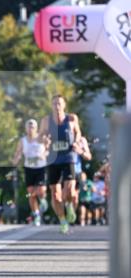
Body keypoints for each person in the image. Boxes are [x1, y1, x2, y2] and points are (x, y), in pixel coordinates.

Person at [39, 95, 82, 235]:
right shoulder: (46, 120)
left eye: (59, 104)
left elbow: (78, 133)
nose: (57, 106)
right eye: (54, 104)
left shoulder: (71, 118)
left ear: (64, 105)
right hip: (53, 159)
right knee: (55, 194)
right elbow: (40, 136)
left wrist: (76, 141)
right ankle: (63, 221)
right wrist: (45, 140)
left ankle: (69, 204)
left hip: (69, 156)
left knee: (69, 189)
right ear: (51, 106)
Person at [12, 118, 46, 226]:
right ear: (26, 128)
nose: (31, 129)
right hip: (29, 168)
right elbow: (18, 152)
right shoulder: (23, 140)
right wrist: (16, 160)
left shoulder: (41, 138)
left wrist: (44, 155)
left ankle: (43, 200)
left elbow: (49, 149)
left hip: (40, 167)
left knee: (40, 190)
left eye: (33, 127)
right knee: (31, 193)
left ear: (36, 128)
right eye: (29, 126)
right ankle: (36, 214)